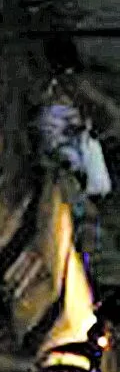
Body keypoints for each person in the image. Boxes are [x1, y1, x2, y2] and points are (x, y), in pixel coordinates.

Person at [37, 33, 111, 269]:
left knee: (86, 223)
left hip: (76, 165)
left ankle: (98, 273)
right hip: (63, 162)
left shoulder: (75, 86)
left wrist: (85, 132)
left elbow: (108, 115)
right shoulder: (58, 86)